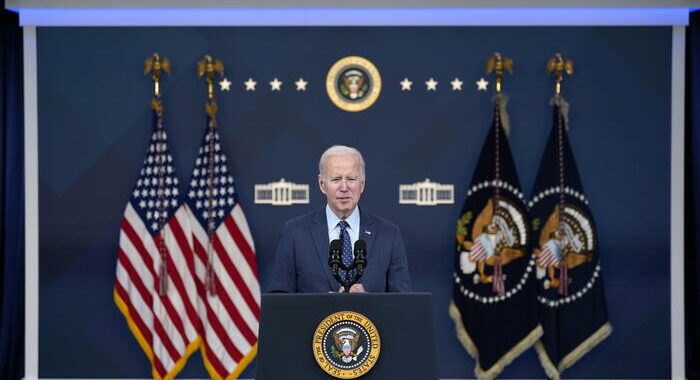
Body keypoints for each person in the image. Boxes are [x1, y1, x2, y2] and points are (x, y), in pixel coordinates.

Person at [265, 145, 412, 293]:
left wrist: (370, 304)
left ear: (362, 184)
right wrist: (322, 306)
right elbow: (279, 299)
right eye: (336, 179)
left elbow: (403, 305)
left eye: (351, 179)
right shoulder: (295, 233)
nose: (344, 187)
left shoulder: (388, 234)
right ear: (322, 184)